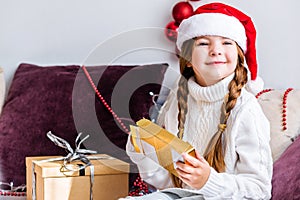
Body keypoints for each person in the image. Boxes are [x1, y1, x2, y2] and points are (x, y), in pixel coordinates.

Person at [120, 2, 273, 200]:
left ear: (239, 56)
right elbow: (168, 182)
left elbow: (260, 191)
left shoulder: (246, 109)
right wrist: (143, 151)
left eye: (226, 42)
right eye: (203, 43)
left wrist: (208, 181)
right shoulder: (178, 99)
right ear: (188, 58)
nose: (216, 50)